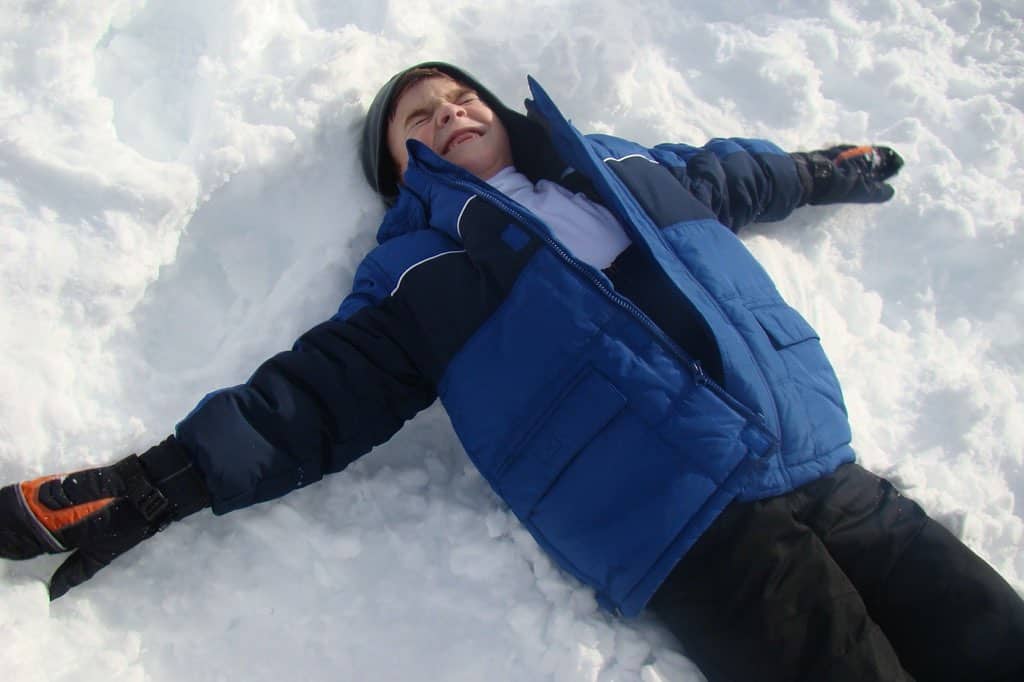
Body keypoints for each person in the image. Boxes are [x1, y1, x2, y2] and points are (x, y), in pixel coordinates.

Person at [1, 61, 1022, 681]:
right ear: (400, 170)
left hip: (815, 459)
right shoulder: (415, 270)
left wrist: (816, 170)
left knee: (986, 633)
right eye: (417, 121)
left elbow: (731, 175)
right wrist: (157, 480)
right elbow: (308, 398)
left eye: (457, 96)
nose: (448, 113)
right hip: (682, 526)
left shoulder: (619, 163)